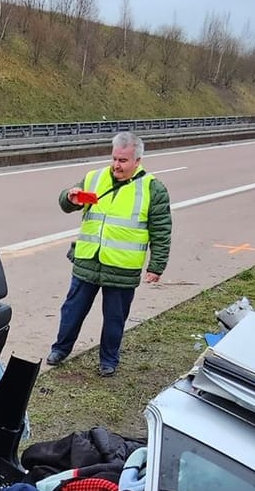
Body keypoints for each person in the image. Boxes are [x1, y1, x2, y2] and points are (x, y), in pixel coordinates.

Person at [45, 132, 172, 378]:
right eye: (114, 158)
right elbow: (66, 201)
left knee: (114, 319)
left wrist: (156, 266)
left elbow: (161, 231)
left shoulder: (152, 188)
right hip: (88, 260)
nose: (116, 165)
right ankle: (60, 349)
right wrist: (70, 198)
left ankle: (108, 360)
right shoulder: (95, 178)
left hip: (121, 267)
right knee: (72, 310)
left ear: (137, 160)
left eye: (123, 160)